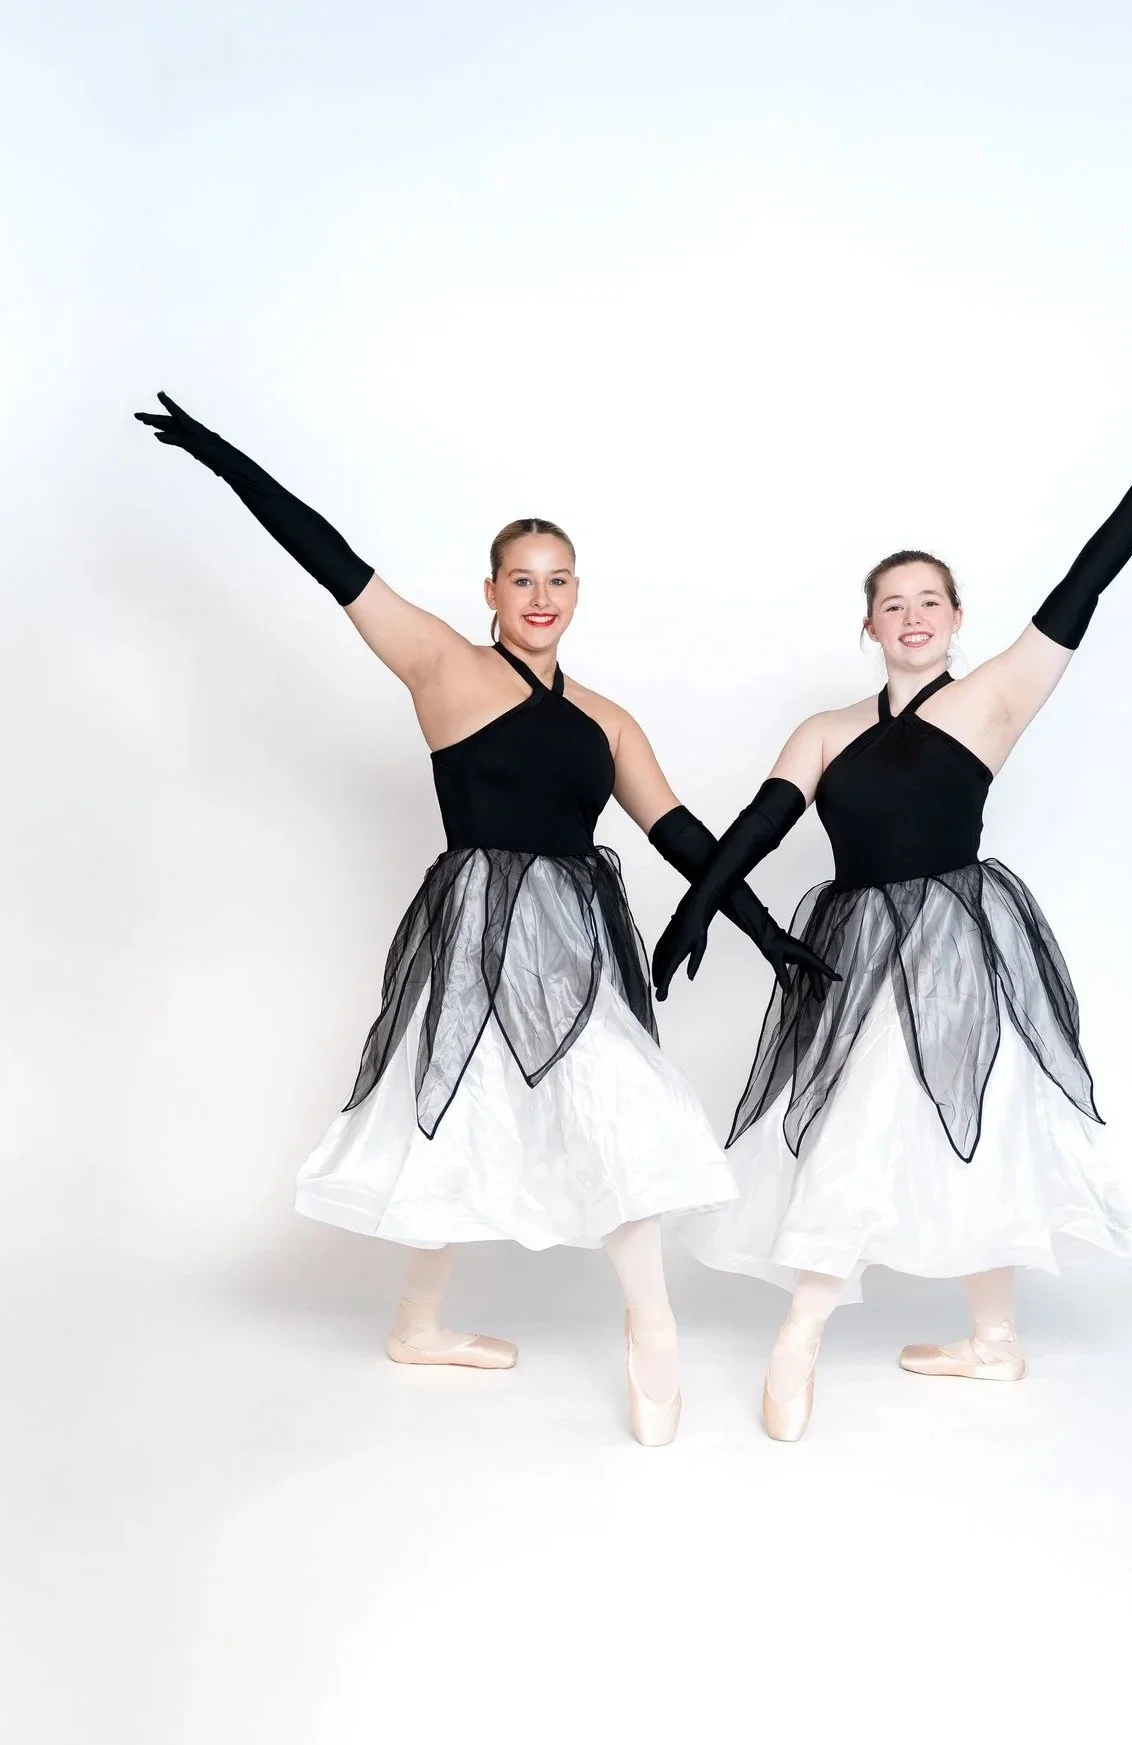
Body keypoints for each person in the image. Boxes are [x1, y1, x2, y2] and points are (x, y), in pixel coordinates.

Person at [134, 393, 829, 1445]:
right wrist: (222, 456)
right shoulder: (442, 664)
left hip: (573, 943)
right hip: (474, 932)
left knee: (616, 1103)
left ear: (577, 592)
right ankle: (418, 1323)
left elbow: (681, 832)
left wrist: (766, 933)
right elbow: (330, 557)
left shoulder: (606, 716)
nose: (540, 597)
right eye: (522, 579)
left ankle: (652, 1325)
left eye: (558, 580)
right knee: (457, 1121)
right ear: (491, 591)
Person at [652, 407, 1132, 1440]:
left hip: (962, 942)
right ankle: (834, 1329)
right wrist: (694, 911)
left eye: (929, 600)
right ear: (868, 626)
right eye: (892, 603)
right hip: (859, 948)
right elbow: (759, 821)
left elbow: (1082, 584)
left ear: (957, 616)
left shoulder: (996, 696)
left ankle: (965, 1337)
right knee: (858, 1121)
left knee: (980, 1128)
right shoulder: (827, 729)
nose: (912, 615)